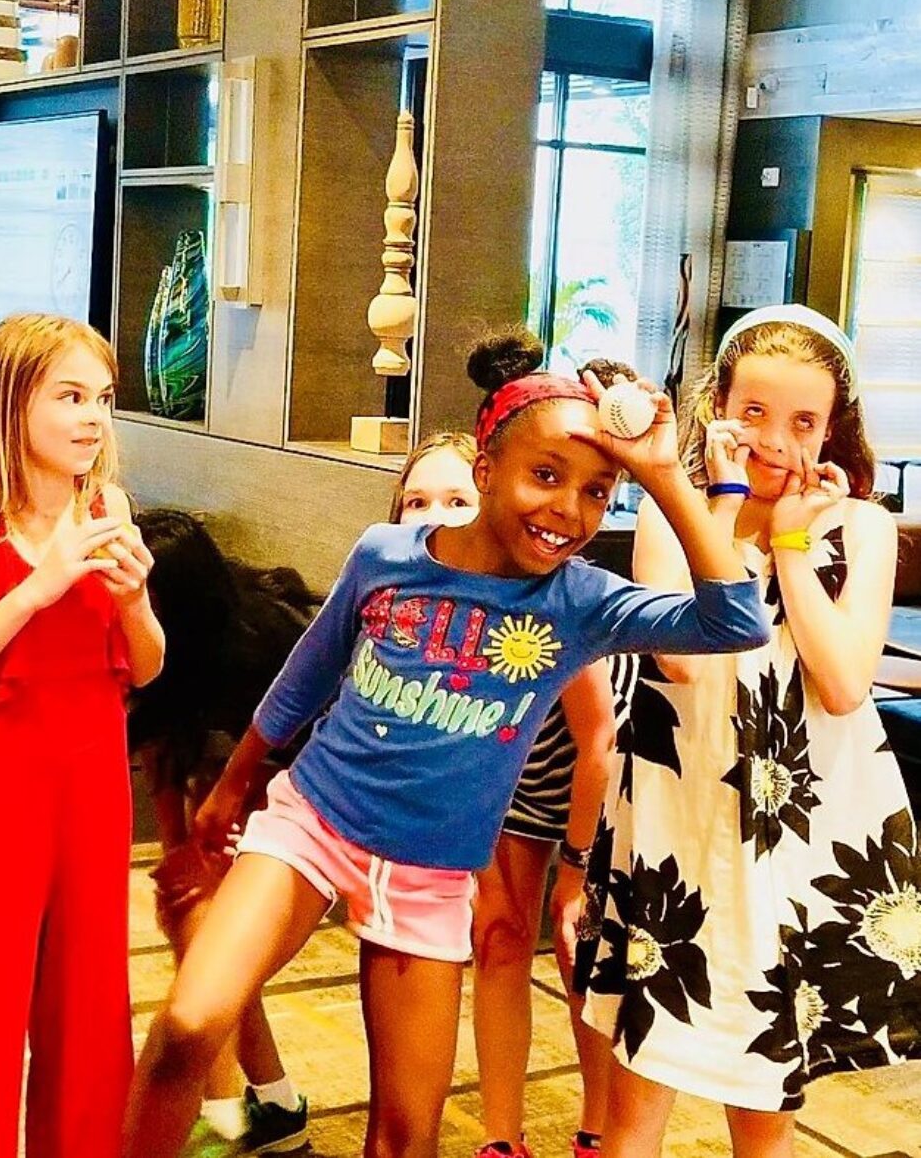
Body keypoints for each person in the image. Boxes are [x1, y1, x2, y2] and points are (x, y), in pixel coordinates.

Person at [122, 332, 772, 1158]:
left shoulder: (578, 601)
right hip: (312, 824)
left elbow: (734, 621)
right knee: (189, 1024)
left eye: (596, 492)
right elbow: (304, 678)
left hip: (430, 876)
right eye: (546, 476)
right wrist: (232, 787)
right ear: (487, 471)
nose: (568, 510)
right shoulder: (386, 555)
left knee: (406, 1136)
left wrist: (664, 475)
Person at [580, 304, 921, 1157]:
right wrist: (721, 506)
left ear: (833, 427)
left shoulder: (862, 527)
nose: (775, 439)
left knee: (768, 1108)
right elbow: (686, 661)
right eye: (755, 412)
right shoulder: (673, 515)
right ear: (719, 407)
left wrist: (795, 545)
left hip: (799, 839)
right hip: (677, 827)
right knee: (636, 1102)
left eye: (803, 421)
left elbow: (843, 684)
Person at [0, 313, 165, 1158]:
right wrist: (34, 590)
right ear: (13, 403)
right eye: (71, 397)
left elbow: (146, 665)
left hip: (93, 778)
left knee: (89, 995)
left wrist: (133, 600)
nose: (94, 419)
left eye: (103, 399)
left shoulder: (108, 506)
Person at [391, 432, 630, 1158]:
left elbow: (599, 743)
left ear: (493, 495)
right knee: (498, 937)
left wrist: (576, 869)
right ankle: (502, 1137)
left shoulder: (550, 592)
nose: (436, 515)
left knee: (581, 948)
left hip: (598, 779)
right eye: (417, 502)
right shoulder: (406, 591)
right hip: (510, 779)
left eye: (455, 498)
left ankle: (598, 1130)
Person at [131, 509, 317, 1154]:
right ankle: (273, 1106)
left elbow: (285, 752)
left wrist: (208, 853)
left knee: (208, 938)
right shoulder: (152, 640)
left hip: (299, 784)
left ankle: (221, 1116)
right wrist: (176, 854)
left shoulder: (256, 647)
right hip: (222, 769)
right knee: (203, 928)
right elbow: (160, 742)